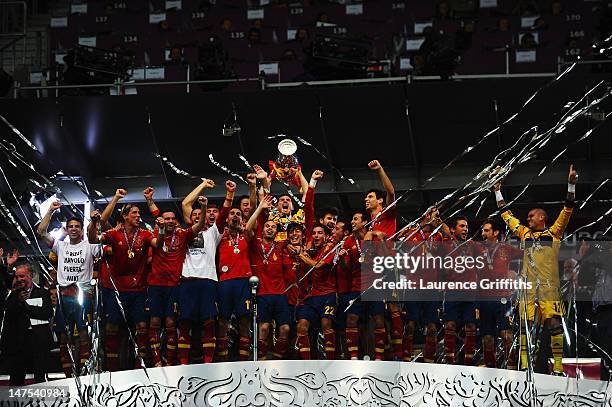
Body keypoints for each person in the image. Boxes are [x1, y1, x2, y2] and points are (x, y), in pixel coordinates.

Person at [494, 164, 577, 375]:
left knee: (554, 323)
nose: (528, 218)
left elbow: (567, 208)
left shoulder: (554, 233)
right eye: (528, 216)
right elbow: (506, 214)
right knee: (524, 325)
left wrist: (571, 184)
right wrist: (497, 190)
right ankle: (524, 366)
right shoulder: (524, 234)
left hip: (549, 288)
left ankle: (557, 368)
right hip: (528, 289)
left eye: (532, 216)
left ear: (542, 218)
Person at [89, 189, 165, 371]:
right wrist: (93, 223)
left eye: (139, 213)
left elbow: (159, 244)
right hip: (116, 292)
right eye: (134, 213)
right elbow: (93, 239)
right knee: (112, 328)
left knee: (142, 327)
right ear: (124, 216)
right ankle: (113, 369)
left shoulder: (145, 234)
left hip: (138, 290)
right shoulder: (115, 234)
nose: (138, 216)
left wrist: (161, 229)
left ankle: (142, 366)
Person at [37, 201, 100, 377]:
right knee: (63, 337)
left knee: (83, 335)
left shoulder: (90, 247)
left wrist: (96, 223)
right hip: (64, 297)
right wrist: (50, 210)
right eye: (70, 226)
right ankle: (69, 376)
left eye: (77, 226)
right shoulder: (60, 246)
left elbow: (101, 243)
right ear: (67, 229)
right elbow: (41, 232)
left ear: (81, 229)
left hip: (83, 296)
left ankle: (85, 374)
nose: (73, 229)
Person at [177, 180, 233, 365]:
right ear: (189, 218)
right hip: (187, 281)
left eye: (201, 214)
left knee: (209, 322)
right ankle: (183, 364)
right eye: (195, 214)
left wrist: (230, 193)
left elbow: (224, 212)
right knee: (185, 323)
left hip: (208, 281)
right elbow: (185, 203)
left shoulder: (214, 232)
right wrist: (202, 186)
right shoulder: (184, 233)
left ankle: (208, 363)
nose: (198, 216)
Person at [147, 205, 206, 367]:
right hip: (156, 285)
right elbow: (155, 248)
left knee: (172, 324)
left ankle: (170, 362)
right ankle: (157, 361)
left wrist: (204, 207)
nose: (171, 221)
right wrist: (159, 229)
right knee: (155, 323)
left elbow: (199, 226)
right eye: (167, 219)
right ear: (162, 221)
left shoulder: (181, 234)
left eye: (173, 218)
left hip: (174, 285)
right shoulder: (153, 235)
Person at [216, 174, 256, 362]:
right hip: (224, 282)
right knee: (222, 319)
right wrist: (229, 193)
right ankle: (223, 361)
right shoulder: (220, 236)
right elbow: (222, 214)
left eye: (238, 214)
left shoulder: (247, 235)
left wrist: (252, 186)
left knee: (244, 320)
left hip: (243, 282)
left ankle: (243, 361)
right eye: (232, 214)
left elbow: (254, 210)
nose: (235, 216)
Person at [246, 196, 291, 360]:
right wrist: (260, 208)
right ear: (262, 229)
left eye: (273, 227)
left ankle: (278, 359)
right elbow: (248, 228)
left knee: (285, 329)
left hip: (280, 295)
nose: (270, 229)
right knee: (263, 328)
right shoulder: (256, 244)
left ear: (277, 232)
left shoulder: (280, 246)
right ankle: (262, 360)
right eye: (267, 226)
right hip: (263, 295)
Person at [337, 211, 387, 360]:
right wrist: (342, 259)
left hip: (374, 286)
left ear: (364, 222)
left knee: (379, 320)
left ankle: (378, 357)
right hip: (356, 286)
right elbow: (346, 269)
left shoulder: (375, 238)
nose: (352, 222)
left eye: (355, 219)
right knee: (351, 319)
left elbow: (385, 260)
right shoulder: (348, 241)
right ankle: (353, 356)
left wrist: (382, 242)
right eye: (352, 219)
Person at [479, 220, 523, 369]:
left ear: (495, 232)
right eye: (483, 231)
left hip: (503, 299)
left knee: (506, 336)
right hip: (484, 299)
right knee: (487, 339)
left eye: (486, 230)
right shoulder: (477, 248)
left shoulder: (506, 248)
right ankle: (490, 371)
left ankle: (512, 371)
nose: (483, 233)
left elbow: (528, 254)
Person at [439, 216, 482, 365]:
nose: (465, 229)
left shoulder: (472, 245)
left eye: (466, 227)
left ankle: (469, 363)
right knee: (450, 325)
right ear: (453, 229)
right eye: (462, 226)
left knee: (471, 326)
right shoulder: (447, 243)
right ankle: (449, 362)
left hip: (470, 293)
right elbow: (442, 227)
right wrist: (437, 217)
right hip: (452, 292)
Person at [1, 263, 53, 385]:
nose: (19, 279)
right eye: (17, 276)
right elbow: (7, 314)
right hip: (19, 345)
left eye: (22, 276)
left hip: (38, 343)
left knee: (40, 379)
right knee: (16, 379)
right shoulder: (13, 295)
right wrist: (17, 301)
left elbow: (47, 313)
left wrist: (26, 306)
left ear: (30, 275)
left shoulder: (43, 293)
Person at [295, 224, 338, 360]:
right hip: (312, 297)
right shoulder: (312, 250)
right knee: (302, 326)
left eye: (320, 233)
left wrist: (301, 255)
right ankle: (306, 364)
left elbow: (318, 265)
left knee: (326, 323)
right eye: (314, 233)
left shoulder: (330, 247)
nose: (316, 236)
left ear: (326, 236)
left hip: (328, 294)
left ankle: (331, 361)